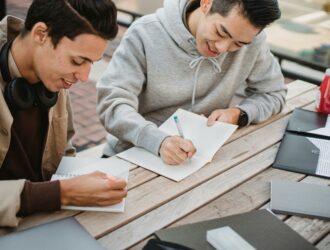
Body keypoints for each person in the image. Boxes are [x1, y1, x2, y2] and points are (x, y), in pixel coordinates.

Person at [97, 0, 287, 165]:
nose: (223, 48)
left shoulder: (252, 42)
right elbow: (113, 104)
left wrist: (239, 114)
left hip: (198, 159)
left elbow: (273, 93)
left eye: (238, 44)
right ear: (206, 3)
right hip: (132, 154)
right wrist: (158, 141)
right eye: (221, 32)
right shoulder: (145, 33)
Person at [0, 0, 127, 227]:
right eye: (78, 60)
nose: (84, 76)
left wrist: (81, 183)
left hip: (47, 222)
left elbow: (63, 154)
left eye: (91, 63)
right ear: (41, 34)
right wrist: (60, 193)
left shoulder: (52, 79)